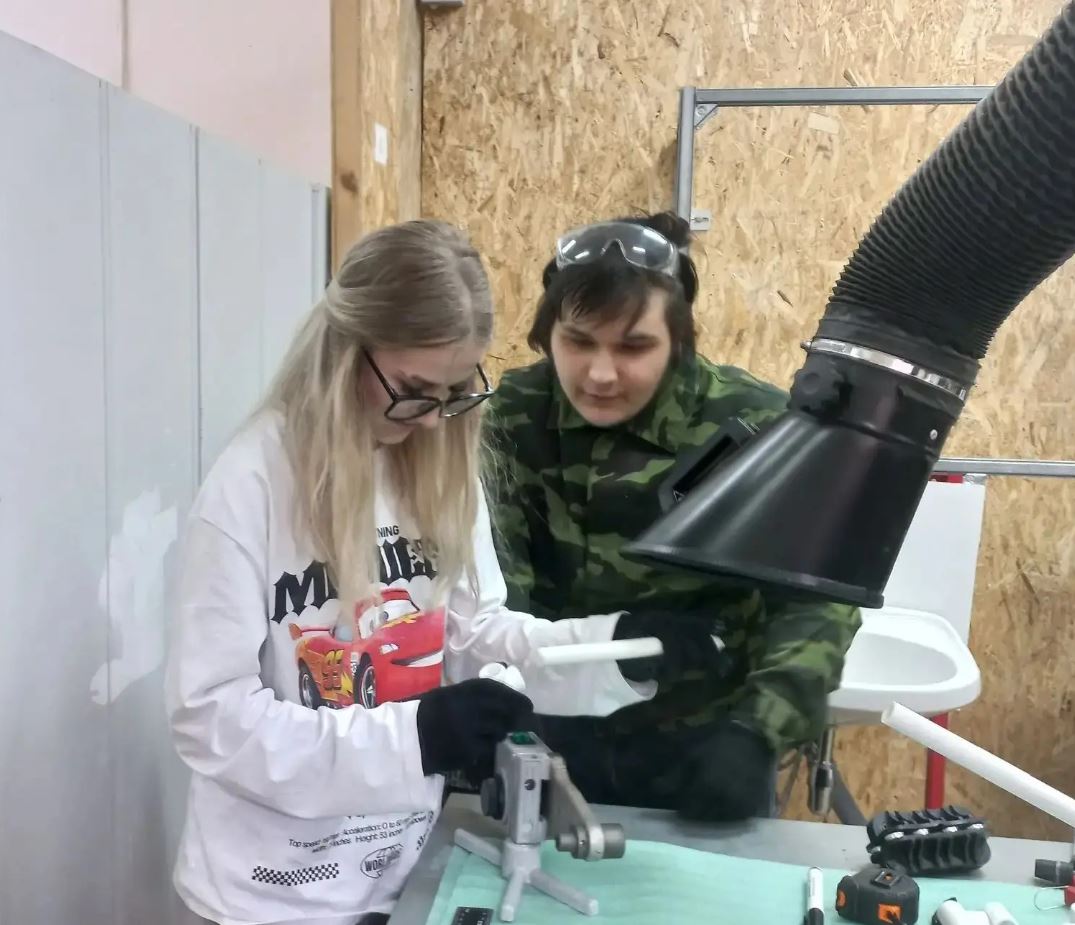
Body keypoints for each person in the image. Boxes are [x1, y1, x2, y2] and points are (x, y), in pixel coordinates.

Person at [165, 221, 679, 925]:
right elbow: (210, 717)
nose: (435, 420)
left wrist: (617, 650)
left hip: (408, 869)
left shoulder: (432, 464)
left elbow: (474, 634)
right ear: (347, 349)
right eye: (413, 389)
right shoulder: (251, 482)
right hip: (270, 894)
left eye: (454, 390)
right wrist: (414, 739)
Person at [485, 211, 862, 822]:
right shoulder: (513, 414)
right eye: (578, 342)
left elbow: (815, 601)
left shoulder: (754, 427)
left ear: (679, 338)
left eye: (633, 347)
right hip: (545, 741)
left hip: (704, 750)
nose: (600, 374)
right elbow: (494, 593)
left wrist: (757, 732)